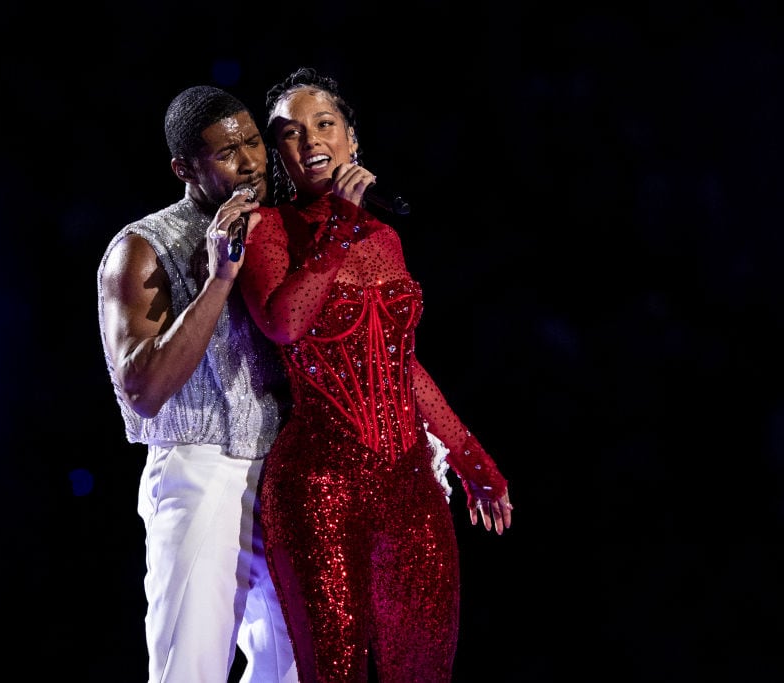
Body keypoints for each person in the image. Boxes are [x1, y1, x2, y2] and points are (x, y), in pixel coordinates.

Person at [237, 66, 514, 682]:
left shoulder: (387, 236)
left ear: (352, 140)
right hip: (319, 488)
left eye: (324, 125)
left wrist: (471, 458)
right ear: (278, 153)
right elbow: (285, 324)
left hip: (411, 488)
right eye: (289, 133)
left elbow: (402, 363)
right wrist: (335, 226)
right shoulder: (269, 230)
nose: (310, 141)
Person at [96, 84, 298, 683]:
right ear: (185, 168)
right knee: (191, 669)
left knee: (293, 666)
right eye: (228, 153)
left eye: (255, 142)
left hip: (285, 470)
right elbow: (144, 391)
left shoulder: (282, 228)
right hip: (200, 471)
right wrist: (218, 280)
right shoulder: (141, 248)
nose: (253, 163)